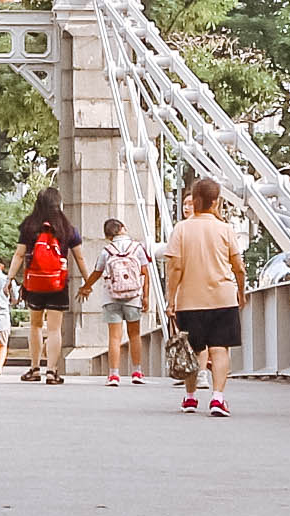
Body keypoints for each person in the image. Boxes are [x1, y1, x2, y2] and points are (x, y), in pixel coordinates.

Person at [163, 175, 245, 415]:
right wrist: (241, 291)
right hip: (223, 298)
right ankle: (218, 398)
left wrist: (171, 299)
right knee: (220, 349)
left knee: (193, 349)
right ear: (216, 202)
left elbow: (175, 268)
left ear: (195, 201)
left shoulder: (181, 229)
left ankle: (190, 397)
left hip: (189, 301)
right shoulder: (225, 230)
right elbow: (238, 267)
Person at [16, 192, 77, 382]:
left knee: (35, 326)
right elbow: (79, 256)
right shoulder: (67, 228)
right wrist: (87, 281)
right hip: (58, 283)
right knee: (54, 329)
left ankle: (34, 368)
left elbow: (19, 255)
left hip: (34, 283)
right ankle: (51, 371)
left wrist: (10, 278)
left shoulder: (29, 226)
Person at [92, 218, 151, 387]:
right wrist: (145, 296)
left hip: (111, 297)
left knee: (114, 337)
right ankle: (137, 371)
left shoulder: (107, 250)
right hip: (133, 296)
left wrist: (86, 287)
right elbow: (145, 273)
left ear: (107, 235)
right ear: (123, 228)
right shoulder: (137, 248)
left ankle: (113, 375)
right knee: (134, 335)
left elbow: (98, 271)